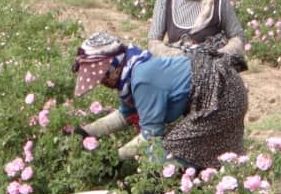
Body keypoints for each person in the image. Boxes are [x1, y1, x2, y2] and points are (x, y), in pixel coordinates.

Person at [73, 30, 248, 169]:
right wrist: (85, 132)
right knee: (182, 149)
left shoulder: (142, 79)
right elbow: (125, 115)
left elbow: (151, 136)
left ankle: (179, 193)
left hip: (222, 94)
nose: (101, 82)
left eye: (102, 76)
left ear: (114, 66)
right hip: (220, 88)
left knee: (167, 155)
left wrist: (115, 158)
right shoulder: (133, 71)